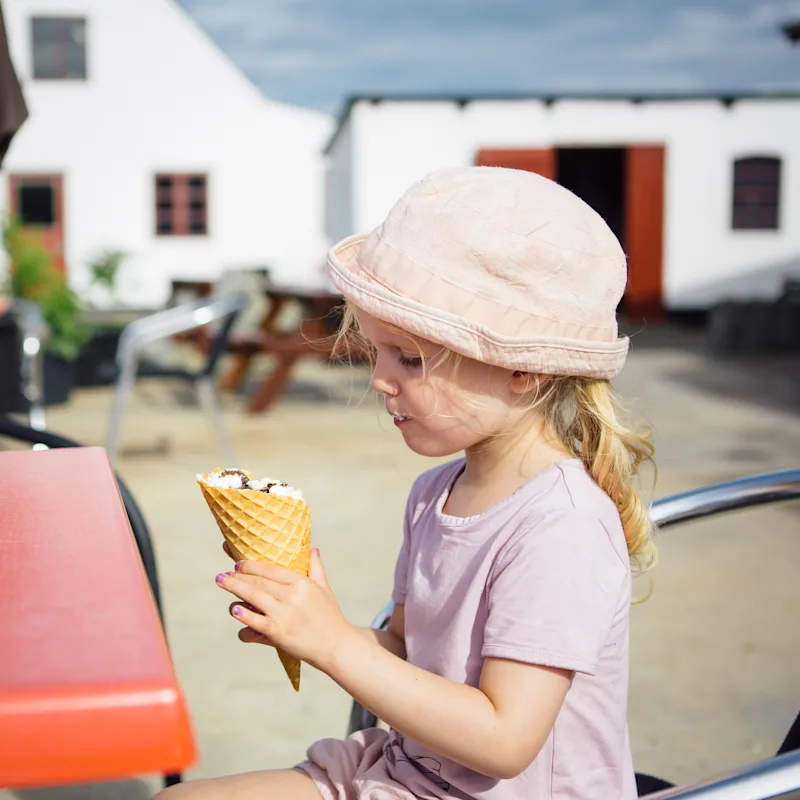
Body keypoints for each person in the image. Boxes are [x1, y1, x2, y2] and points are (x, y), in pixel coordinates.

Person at [157, 166, 656, 800]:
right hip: (409, 768)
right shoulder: (434, 493)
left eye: (411, 359)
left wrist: (336, 646)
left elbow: (506, 741)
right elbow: (407, 653)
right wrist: (309, 626)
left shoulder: (562, 528)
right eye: (377, 353)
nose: (380, 381)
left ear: (524, 368)